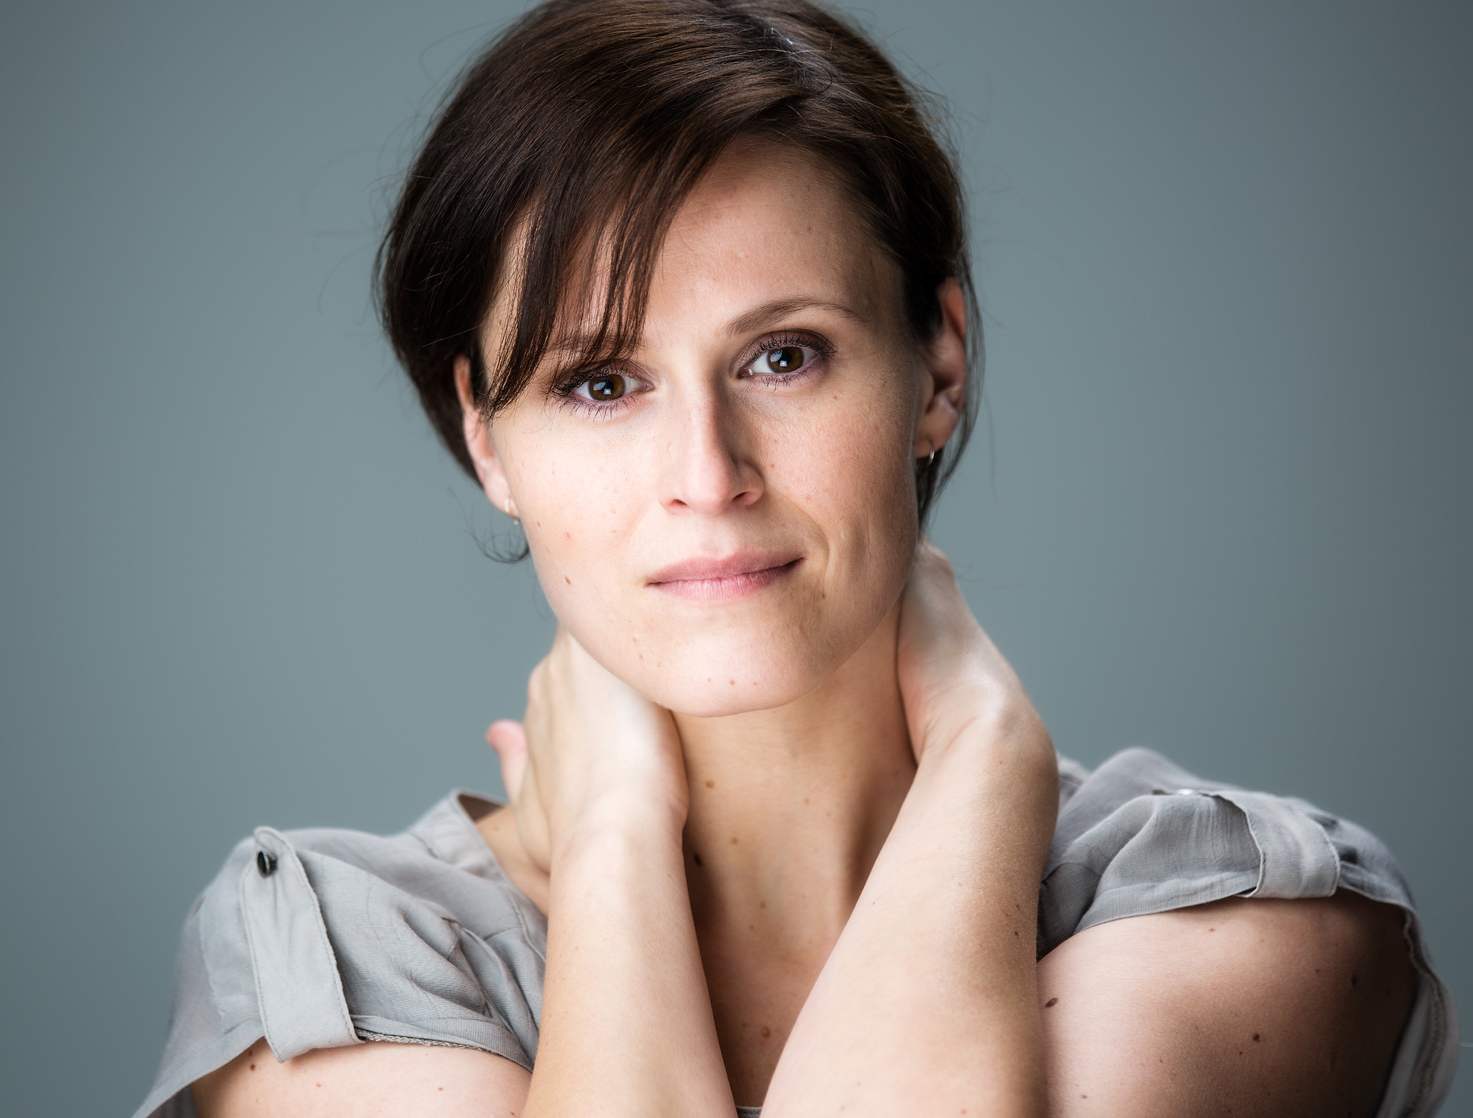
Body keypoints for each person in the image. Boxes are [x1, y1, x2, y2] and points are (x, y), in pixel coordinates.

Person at [132, 0, 1458, 1115]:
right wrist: (614, 841)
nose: (709, 475)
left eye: (783, 355)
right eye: (601, 383)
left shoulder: (1250, 916)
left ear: (937, 366)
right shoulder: (337, 961)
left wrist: (988, 763)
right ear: (487, 435)